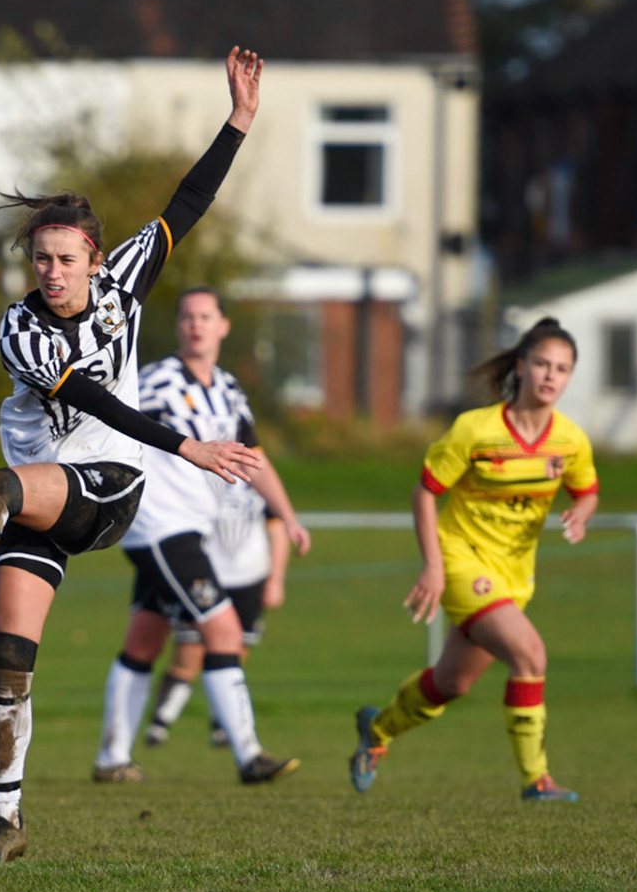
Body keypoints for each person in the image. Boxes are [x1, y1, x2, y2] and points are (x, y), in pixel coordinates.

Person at [0, 47, 266, 863]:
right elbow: (84, 394)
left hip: (110, 486)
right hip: (44, 499)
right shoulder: (21, 327)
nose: (51, 272)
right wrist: (191, 445)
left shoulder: (126, 283)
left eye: (66, 258)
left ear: (95, 259)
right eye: (40, 259)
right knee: (10, 660)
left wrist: (239, 121)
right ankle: (7, 823)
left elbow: (188, 202)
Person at [350, 318, 596, 801]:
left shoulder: (570, 440)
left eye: (562, 369)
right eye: (543, 363)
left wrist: (581, 514)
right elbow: (425, 492)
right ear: (521, 367)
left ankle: (376, 732)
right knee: (530, 655)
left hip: (514, 577)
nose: (551, 375)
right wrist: (434, 566)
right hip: (462, 562)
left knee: (451, 684)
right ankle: (536, 780)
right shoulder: (476, 429)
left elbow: (587, 491)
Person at [90, 287, 310, 784]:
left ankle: (111, 759)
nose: (195, 324)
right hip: (161, 527)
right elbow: (109, 419)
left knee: (145, 639)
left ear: (223, 326)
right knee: (224, 630)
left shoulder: (229, 389)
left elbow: (254, 458)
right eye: (187, 316)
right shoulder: (159, 381)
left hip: (190, 528)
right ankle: (249, 756)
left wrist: (288, 515)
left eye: (205, 316)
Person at [142, 473, 292, 748]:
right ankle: (160, 723)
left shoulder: (257, 478)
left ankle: (223, 725)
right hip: (203, 574)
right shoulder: (193, 474)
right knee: (188, 654)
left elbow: (276, 527)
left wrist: (276, 579)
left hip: (249, 578)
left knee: (235, 650)